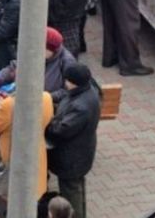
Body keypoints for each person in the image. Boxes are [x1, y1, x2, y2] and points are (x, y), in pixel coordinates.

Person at [46, 63, 100, 218]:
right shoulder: (87, 91)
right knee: (77, 186)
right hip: (81, 152)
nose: (65, 83)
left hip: (71, 157)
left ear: (73, 82)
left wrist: (47, 123)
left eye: (67, 80)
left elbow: (61, 130)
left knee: (71, 192)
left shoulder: (80, 107)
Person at [0, 91, 55, 201]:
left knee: (13, 188)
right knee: (35, 185)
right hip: (37, 150)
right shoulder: (47, 98)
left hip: (13, 153)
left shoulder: (9, 105)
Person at [0, 27, 78, 101]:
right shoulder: (34, 53)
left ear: (51, 50)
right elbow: (13, 69)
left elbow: (69, 91)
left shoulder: (67, 63)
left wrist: (45, 98)